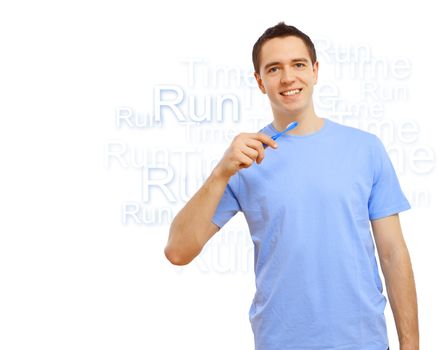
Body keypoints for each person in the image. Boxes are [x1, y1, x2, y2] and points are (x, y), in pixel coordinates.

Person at [164, 22, 419, 350]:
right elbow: (178, 251)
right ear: (259, 81)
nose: (288, 78)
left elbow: (393, 254)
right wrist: (220, 174)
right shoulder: (244, 161)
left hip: (362, 341)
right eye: (274, 68)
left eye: (298, 65)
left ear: (315, 71)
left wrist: (411, 346)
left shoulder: (365, 149)